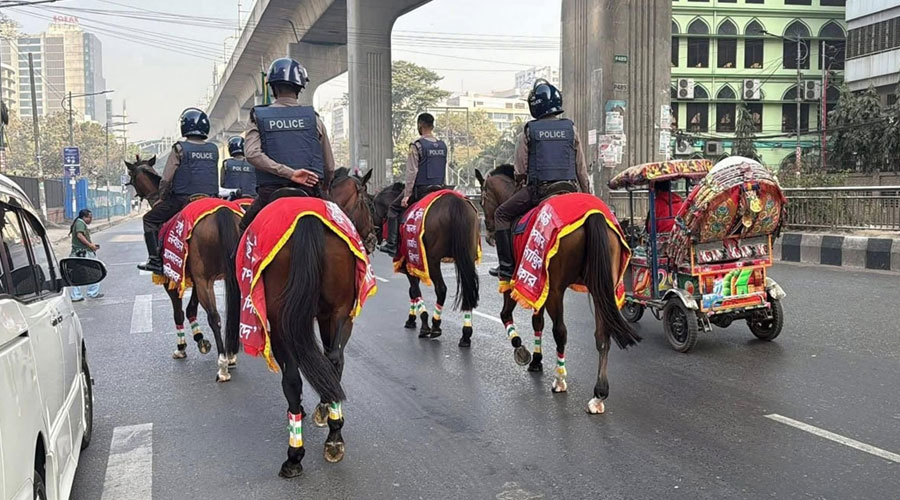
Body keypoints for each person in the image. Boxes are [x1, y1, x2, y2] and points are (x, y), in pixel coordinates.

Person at [490, 79, 590, 281]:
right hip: (570, 190)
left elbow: (519, 170)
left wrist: (520, 185)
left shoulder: (530, 130)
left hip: (540, 192)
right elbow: (581, 168)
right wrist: (587, 195)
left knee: (501, 214)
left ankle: (507, 268)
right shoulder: (571, 128)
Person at [240, 57, 336, 232]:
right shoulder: (314, 119)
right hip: (310, 192)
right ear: (299, 88)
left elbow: (252, 154)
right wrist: (325, 187)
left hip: (269, 195)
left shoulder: (258, 117)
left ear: (273, 88)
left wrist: (289, 173)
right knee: (346, 230)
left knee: (243, 230)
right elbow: (329, 167)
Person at [137, 108, 219, 273]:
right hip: (212, 200)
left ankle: (155, 261)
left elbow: (166, 179)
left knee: (149, 219)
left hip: (183, 200)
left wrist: (162, 196)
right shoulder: (213, 149)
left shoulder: (179, 148)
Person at [378, 112, 447, 257]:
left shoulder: (417, 146)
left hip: (421, 190)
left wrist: (407, 195)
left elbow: (412, 172)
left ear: (420, 125)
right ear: (432, 126)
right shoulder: (443, 145)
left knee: (393, 209)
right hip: (440, 189)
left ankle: (391, 244)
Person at [69, 209, 102, 301]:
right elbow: (79, 235)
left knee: (78, 273)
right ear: (84, 217)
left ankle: (76, 295)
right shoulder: (80, 223)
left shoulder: (79, 223)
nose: (91, 219)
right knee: (96, 271)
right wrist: (90, 245)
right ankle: (92, 292)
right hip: (84, 253)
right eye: (89, 217)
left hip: (79, 253)